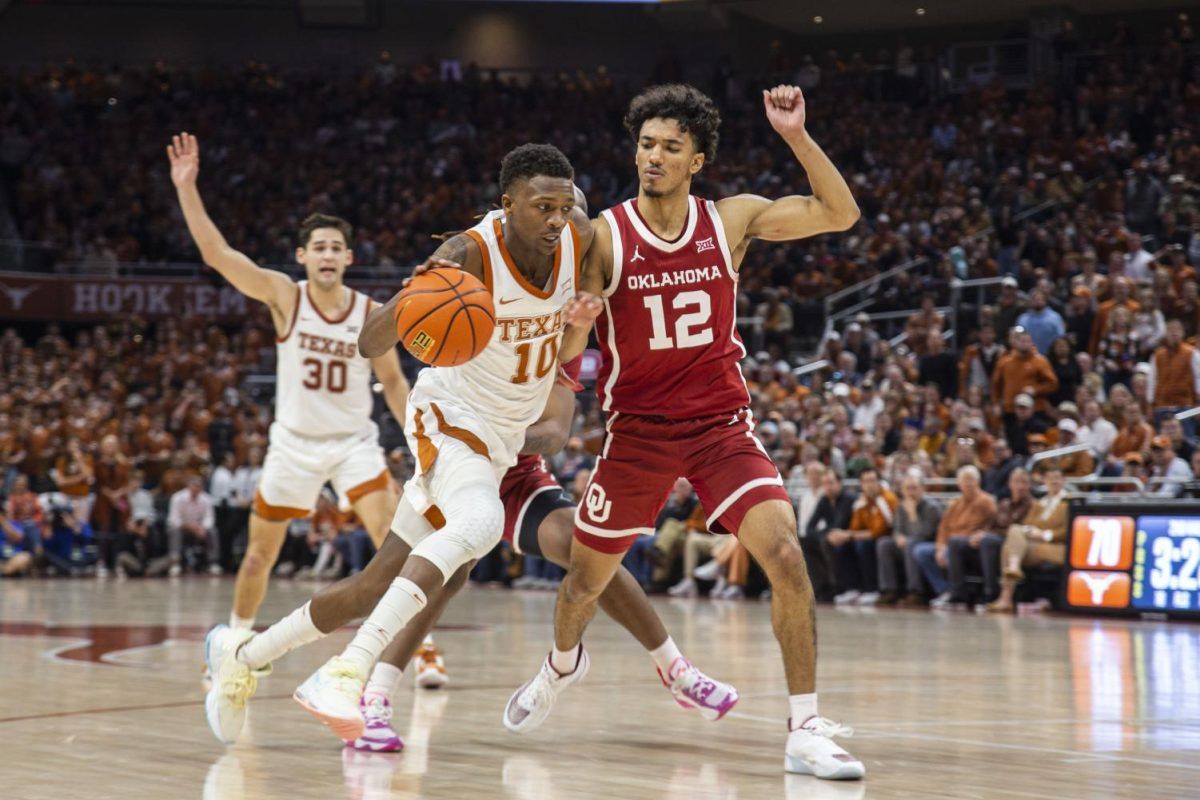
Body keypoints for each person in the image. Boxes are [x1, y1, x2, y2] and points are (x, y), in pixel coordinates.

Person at [506, 84, 864, 779]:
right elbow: (573, 338)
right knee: (582, 583)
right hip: (637, 432)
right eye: (646, 144)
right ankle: (561, 664)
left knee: (786, 554)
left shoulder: (729, 221)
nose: (654, 157)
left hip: (720, 425)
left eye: (671, 146)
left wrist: (795, 136)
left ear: (697, 159)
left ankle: (805, 727)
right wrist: (579, 319)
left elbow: (839, 213)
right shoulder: (603, 235)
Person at [200, 143, 596, 746]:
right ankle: (346, 671)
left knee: (372, 584)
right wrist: (418, 296)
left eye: (563, 207)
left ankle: (245, 656)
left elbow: (567, 350)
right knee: (481, 524)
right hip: (449, 413)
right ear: (507, 203)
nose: (554, 219)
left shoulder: (576, 235)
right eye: (542, 206)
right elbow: (368, 341)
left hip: (499, 432)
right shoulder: (465, 252)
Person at [352, 356, 737, 752]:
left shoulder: (556, 331)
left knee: (586, 548)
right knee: (436, 579)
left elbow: (554, 433)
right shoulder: (475, 319)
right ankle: (376, 696)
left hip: (512, 476)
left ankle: (676, 670)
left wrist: (492, 434)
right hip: (452, 470)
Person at [168, 134, 410, 627]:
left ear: (348, 258)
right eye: (318, 247)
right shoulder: (284, 295)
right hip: (293, 445)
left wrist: (420, 445)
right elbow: (218, 255)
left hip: (353, 443)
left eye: (335, 248)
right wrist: (186, 187)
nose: (327, 254)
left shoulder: (371, 314)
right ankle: (234, 644)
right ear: (302, 257)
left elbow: (396, 385)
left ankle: (422, 650)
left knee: (394, 542)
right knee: (259, 556)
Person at [911, 465, 997, 608]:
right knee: (920, 551)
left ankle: (958, 593)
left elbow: (974, 528)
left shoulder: (986, 501)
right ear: (959, 484)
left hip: (970, 546)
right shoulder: (955, 504)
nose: (968, 484)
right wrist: (940, 547)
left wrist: (948, 544)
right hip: (950, 544)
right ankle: (944, 589)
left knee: (955, 544)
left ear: (978, 481)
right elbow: (943, 527)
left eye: (971, 480)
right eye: (964, 480)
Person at [986, 467, 1068, 613]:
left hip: (1056, 547)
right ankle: (1013, 569)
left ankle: (1006, 597)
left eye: (1057, 477)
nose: (1053, 481)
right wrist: (1031, 531)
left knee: (1010, 546)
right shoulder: (1039, 503)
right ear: (1044, 481)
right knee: (1015, 531)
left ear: (1064, 481)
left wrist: (1044, 535)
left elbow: (1068, 530)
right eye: (1050, 478)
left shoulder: (1069, 502)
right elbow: (1027, 523)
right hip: (1036, 547)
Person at [829, 467, 897, 606]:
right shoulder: (861, 501)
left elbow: (879, 531)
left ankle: (872, 589)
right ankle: (852, 588)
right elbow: (855, 527)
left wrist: (849, 535)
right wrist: (846, 535)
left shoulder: (887, 499)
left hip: (888, 538)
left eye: (872, 480)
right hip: (869, 538)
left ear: (879, 482)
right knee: (843, 545)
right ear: (861, 484)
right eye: (865, 481)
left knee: (862, 545)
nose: (869, 484)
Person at [877, 469, 941, 606]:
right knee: (884, 544)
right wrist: (898, 537)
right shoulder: (902, 506)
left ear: (922, 489)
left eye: (914, 488)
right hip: (906, 544)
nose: (910, 492)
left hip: (926, 545)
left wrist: (913, 515)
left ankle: (916, 592)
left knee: (911, 544)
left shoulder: (932, 507)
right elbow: (896, 530)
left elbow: (926, 533)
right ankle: (889, 590)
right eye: (907, 488)